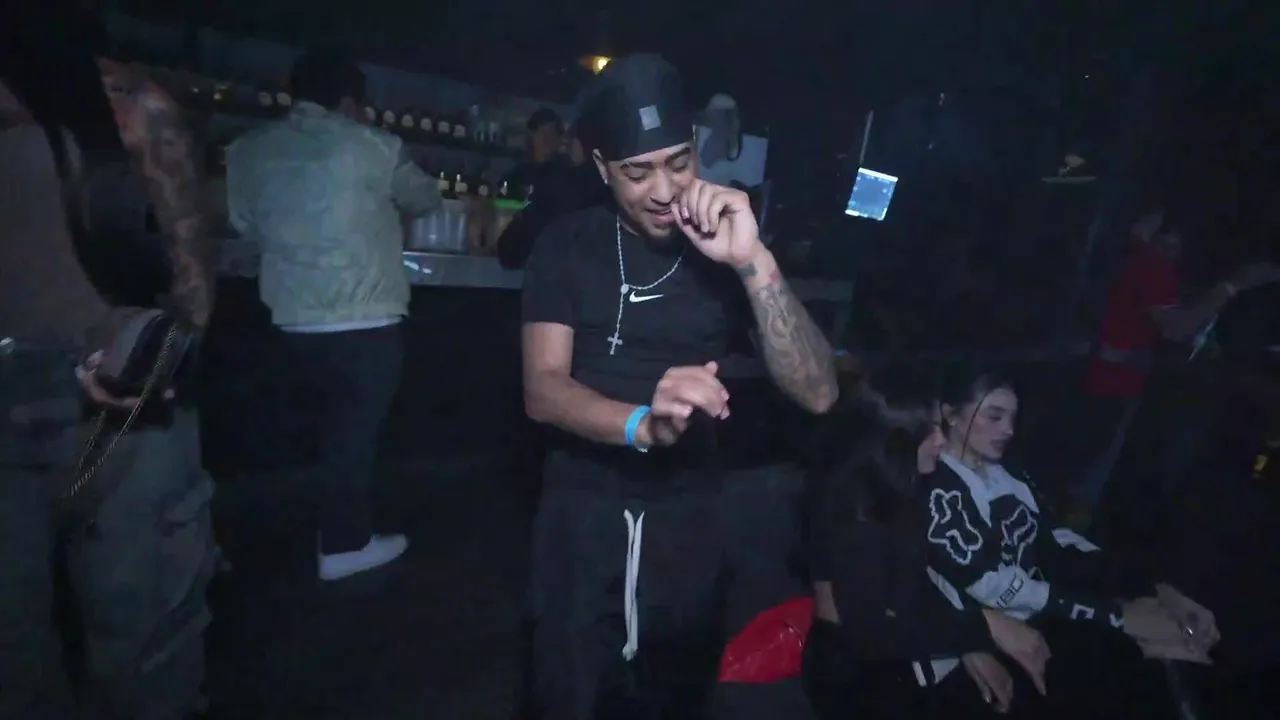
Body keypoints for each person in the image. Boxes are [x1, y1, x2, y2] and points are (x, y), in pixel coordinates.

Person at [521, 54, 838, 719]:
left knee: (675, 696)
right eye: (638, 172)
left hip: (691, 514)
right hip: (584, 511)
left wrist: (754, 261)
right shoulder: (566, 245)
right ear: (602, 167)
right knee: (570, 695)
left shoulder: (724, 244)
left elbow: (819, 393)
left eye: (679, 163)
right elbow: (544, 388)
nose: (664, 191)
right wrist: (643, 424)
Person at [1, 3, 218, 717]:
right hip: (115, 396)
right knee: (141, 647)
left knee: (27, 660)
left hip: (90, 393)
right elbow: (194, 284)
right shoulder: (130, 102)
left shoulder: (120, 103)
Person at [226, 46, 440, 581]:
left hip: (288, 319)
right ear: (350, 102)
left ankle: (278, 535)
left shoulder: (249, 149)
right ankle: (343, 545)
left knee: (312, 431)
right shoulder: (374, 145)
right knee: (353, 435)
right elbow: (425, 198)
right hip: (366, 317)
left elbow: (242, 221)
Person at [923, 367, 1221, 717]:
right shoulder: (940, 486)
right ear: (951, 415)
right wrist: (1118, 618)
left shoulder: (1007, 471)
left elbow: (1056, 542)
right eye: (995, 416)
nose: (1009, 430)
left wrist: (1154, 589)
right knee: (1142, 663)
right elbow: (993, 586)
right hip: (977, 644)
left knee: (1178, 641)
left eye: (1013, 417)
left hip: (1037, 614)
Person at [803, 373, 1051, 719]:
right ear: (895, 438)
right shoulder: (851, 505)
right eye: (930, 430)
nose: (941, 441)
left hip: (903, 648)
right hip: (854, 672)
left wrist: (970, 644)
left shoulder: (903, 487)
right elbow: (867, 633)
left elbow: (913, 584)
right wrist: (984, 628)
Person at [1071, 210, 1280, 510]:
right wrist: (1231, 286)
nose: (1174, 254)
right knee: (1087, 480)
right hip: (1113, 387)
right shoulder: (1150, 264)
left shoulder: (1121, 256)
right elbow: (1178, 329)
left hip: (1107, 383)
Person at [497, 110, 609, 270]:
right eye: (541, 133)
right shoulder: (516, 175)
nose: (546, 139)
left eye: (551, 134)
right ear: (531, 136)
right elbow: (499, 208)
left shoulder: (568, 180)